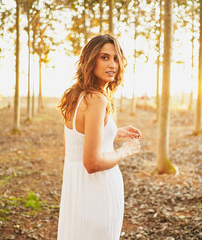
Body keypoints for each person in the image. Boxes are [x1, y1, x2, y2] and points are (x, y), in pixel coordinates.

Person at [57, 34, 142, 240]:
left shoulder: (76, 95)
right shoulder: (97, 99)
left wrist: (114, 132)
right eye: (104, 57)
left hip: (77, 192)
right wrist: (125, 151)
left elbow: (80, 139)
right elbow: (92, 162)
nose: (112, 64)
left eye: (115, 58)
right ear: (90, 59)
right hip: (97, 194)